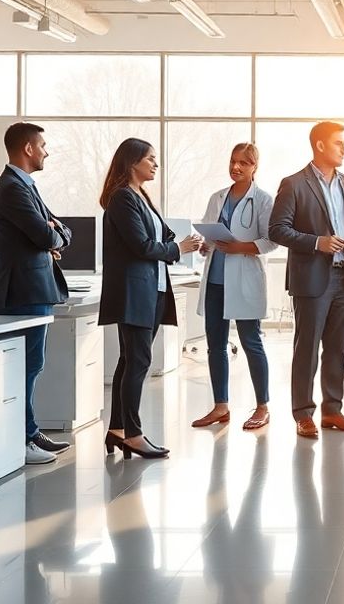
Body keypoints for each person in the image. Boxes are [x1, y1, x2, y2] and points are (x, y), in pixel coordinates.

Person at [98, 138, 202, 459]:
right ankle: (134, 434)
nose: (155, 165)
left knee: (129, 361)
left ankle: (118, 430)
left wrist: (185, 243)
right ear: (133, 163)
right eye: (151, 159)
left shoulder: (140, 196)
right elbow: (142, 246)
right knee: (138, 362)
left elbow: (162, 237)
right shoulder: (121, 199)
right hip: (134, 293)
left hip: (151, 290)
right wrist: (178, 249)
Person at [268, 121, 344, 438]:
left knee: (338, 349)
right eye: (340, 143)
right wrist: (317, 242)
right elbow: (277, 230)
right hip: (312, 279)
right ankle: (303, 413)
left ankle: (333, 410)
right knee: (307, 349)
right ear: (321, 146)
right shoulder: (294, 184)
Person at [0, 122, 73, 466]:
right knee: (24, 367)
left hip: (34, 287)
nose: (46, 151)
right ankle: (20, 439)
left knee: (32, 365)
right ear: (27, 148)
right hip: (24, 289)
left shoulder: (25, 186)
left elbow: (61, 229)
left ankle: (29, 431)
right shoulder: (12, 189)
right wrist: (51, 236)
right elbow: (44, 234)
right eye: (43, 145)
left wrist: (54, 234)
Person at [192, 143, 277, 431]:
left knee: (251, 342)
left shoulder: (263, 200)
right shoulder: (217, 197)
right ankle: (220, 406)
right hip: (216, 279)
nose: (236, 167)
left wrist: (240, 246)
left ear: (255, 167)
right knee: (215, 345)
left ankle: (263, 406)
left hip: (244, 279)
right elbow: (210, 230)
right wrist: (207, 245)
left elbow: (271, 240)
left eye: (243, 163)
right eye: (233, 161)